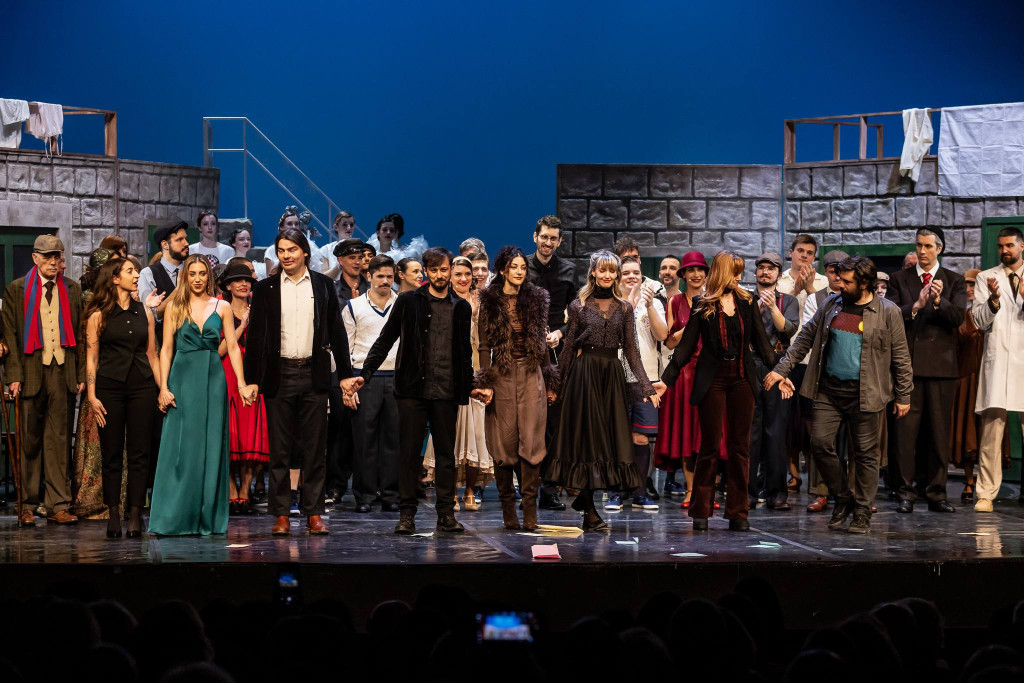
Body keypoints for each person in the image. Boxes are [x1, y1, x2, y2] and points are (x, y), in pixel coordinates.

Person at [766, 256, 914, 534]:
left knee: (866, 455)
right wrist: (781, 369)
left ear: (865, 283)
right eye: (839, 279)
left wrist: (903, 394)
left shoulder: (888, 311)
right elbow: (805, 338)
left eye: (847, 281)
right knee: (819, 443)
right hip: (829, 390)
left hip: (866, 393)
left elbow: (901, 356)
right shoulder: (831, 304)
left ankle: (862, 512)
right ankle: (843, 497)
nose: (840, 285)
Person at [351, 247, 474, 535]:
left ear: (450, 270)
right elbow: (386, 339)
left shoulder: (461, 307)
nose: (440, 275)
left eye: (444, 270)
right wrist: (365, 374)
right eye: (434, 270)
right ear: (426, 272)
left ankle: (446, 514)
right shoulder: (408, 301)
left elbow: (464, 352)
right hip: (412, 390)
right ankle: (407, 514)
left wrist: (468, 388)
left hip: (446, 389)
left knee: (446, 456)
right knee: (408, 454)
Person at [245, 228, 354, 535]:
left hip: (313, 373)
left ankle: (314, 513)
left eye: (292, 249)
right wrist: (252, 380)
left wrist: (345, 374)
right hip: (279, 374)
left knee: (314, 449)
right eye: (281, 250)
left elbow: (336, 331)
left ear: (305, 251)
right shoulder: (265, 288)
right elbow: (256, 337)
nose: (286, 255)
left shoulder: (322, 284)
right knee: (280, 450)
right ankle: (281, 513)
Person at [657, 251, 776, 532]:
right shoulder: (702, 304)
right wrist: (666, 380)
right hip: (713, 379)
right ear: (723, 273)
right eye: (734, 272)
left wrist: (781, 371)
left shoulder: (748, 302)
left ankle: (738, 511)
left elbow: (762, 344)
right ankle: (701, 510)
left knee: (740, 448)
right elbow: (686, 347)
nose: (739, 278)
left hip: (742, 378)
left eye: (740, 272)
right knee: (709, 447)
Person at [548, 250, 659, 532]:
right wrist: (555, 384)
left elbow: (632, 350)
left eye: (612, 271)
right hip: (585, 375)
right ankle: (589, 509)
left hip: (611, 377)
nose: (607, 275)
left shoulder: (625, 308)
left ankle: (586, 502)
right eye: (603, 270)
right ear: (593, 273)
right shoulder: (579, 306)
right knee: (588, 442)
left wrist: (646, 386)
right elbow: (569, 348)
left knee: (607, 442)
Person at [148, 255, 253, 536]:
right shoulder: (175, 307)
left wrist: (242, 383)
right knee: (181, 447)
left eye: (202, 274)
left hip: (213, 380)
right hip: (182, 379)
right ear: (185, 276)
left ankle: (207, 515)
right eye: (192, 273)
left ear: (209, 277)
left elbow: (232, 347)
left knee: (210, 445)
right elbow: (166, 349)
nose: (197, 279)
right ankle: (175, 516)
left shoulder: (222, 306)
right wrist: (163, 387)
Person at [2, 235, 85, 526]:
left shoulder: (72, 289)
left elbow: (80, 334)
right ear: (35, 258)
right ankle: (27, 504)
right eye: (47, 256)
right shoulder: (17, 289)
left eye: (57, 256)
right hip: (30, 372)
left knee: (59, 441)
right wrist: (13, 376)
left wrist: (81, 373)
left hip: (62, 369)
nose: (53, 261)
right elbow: (10, 334)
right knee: (30, 441)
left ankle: (57, 504)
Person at [473, 246, 557, 530]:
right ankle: (508, 510)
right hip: (503, 375)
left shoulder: (536, 298)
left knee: (532, 442)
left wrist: (549, 380)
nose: (520, 271)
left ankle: (530, 511)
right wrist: (486, 381)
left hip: (532, 373)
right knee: (504, 442)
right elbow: (484, 346)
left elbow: (541, 342)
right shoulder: (490, 300)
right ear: (503, 270)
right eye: (514, 267)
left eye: (523, 267)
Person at [886, 228, 966, 514]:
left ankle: (936, 493)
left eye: (928, 246)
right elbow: (891, 315)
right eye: (919, 245)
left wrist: (938, 302)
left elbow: (957, 318)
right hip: (908, 367)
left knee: (938, 434)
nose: (922, 251)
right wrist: (917, 305)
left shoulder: (954, 280)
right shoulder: (899, 279)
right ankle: (905, 492)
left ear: (939, 249)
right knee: (905, 435)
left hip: (941, 368)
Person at [84, 257, 161, 538]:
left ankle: (136, 512)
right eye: (130, 271)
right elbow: (92, 358)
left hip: (142, 386)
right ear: (115, 278)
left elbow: (152, 355)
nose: (136, 275)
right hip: (110, 387)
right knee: (112, 452)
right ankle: (114, 512)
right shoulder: (98, 315)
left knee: (140, 452)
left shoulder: (145, 312)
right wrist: (92, 395)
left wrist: (162, 388)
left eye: (136, 271)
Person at [424, 256, 494, 510]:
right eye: (459, 274)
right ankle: (451, 491)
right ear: (451, 276)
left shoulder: (482, 303)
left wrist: (485, 377)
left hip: (475, 373)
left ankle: (471, 491)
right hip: (450, 376)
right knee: (450, 437)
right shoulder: (447, 302)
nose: (464, 279)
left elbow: (485, 344)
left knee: (476, 436)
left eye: (468, 274)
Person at [605, 256, 668, 512]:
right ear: (618, 276)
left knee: (641, 438)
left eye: (636, 272)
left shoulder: (653, 303)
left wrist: (649, 306)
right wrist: (628, 305)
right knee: (617, 438)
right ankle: (616, 492)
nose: (632, 276)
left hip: (646, 380)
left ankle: (640, 492)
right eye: (626, 272)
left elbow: (662, 335)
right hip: (616, 379)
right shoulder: (609, 303)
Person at [655, 251, 717, 506]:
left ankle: (707, 489)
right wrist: (692, 323)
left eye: (700, 270)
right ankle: (691, 490)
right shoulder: (675, 302)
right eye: (690, 270)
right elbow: (669, 342)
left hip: (710, 372)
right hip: (684, 374)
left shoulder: (714, 300)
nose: (695, 274)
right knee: (686, 435)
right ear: (684, 275)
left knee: (708, 435)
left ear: (706, 274)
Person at [970, 227, 1024, 513]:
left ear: (1021, 246)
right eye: (1001, 246)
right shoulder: (985, 278)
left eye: (1010, 246)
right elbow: (979, 321)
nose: (1004, 251)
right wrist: (993, 300)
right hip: (998, 360)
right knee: (991, 433)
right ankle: (986, 494)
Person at [342, 255, 402, 513]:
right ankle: (364, 496)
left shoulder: (403, 303)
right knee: (364, 440)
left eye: (389, 276)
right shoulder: (354, 306)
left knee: (393, 439)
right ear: (369, 276)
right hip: (364, 378)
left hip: (397, 377)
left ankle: (391, 495)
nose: (385, 281)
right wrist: (347, 384)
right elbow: (345, 347)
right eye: (380, 276)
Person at [526, 215, 575, 511]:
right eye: (544, 236)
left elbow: (577, 315)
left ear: (559, 241)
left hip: (556, 354)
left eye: (553, 238)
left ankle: (549, 489)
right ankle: (527, 487)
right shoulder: (521, 267)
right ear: (535, 237)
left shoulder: (568, 270)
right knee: (528, 424)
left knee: (554, 425)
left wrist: (560, 333)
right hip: (526, 354)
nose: (548, 242)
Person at [776, 234, 829, 497]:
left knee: (811, 422)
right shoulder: (780, 281)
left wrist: (809, 288)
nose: (804, 256)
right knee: (787, 422)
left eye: (809, 252)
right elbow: (776, 312)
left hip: (812, 360)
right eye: (800, 251)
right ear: (791, 253)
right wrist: (796, 290)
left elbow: (826, 313)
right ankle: (792, 473)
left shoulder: (824, 282)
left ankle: (815, 480)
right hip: (786, 358)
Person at [797, 248, 849, 512]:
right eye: (832, 271)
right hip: (823, 376)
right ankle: (821, 492)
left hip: (850, 375)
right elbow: (812, 334)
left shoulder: (858, 296)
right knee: (821, 437)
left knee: (851, 440)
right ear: (825, 273)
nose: (838, 277)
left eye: (842, 271)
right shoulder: (816, 299)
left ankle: (853, 492)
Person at [216, 262, 269, 514]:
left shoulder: (259, 309)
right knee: (229, 435)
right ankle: (231, 491)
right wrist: (242, 326)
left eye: (247, 280)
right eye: (237, 280)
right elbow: (219, 350)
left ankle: (245, 492)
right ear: (228, 285)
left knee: (249, 436)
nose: (243, 284)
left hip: (253, 375)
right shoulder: (220, 310)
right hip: (227, 374)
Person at [748, 252, 799, 511]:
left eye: (771, 268)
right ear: (755, 271)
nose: (765, 272)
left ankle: (776, 492)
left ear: (779, 274)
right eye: (762, 267)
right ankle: (747, 491)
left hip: (778, 368)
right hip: (751, 365)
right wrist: (756, 308)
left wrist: (772, 308)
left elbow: (788, 329)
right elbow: (741, 331)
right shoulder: (745, 299)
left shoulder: (788, 300)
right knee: (750, 432)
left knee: (776, 432)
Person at [325, 238, 370, 506]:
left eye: (360, 257)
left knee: (365, 428)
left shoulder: (372, 287)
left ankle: (368, 485)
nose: (357, 262)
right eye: (351, 257)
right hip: (340, 365)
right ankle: (335, 484)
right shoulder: (332, 290)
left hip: (366, 365)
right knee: (339, 428)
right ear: (340, 260)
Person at [71, 247, 115, 519]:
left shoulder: (110, 300)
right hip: (97, 374)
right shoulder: (92, 302)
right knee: (96, 434)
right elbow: (86, 346)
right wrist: (86, 381)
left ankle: (112, 498)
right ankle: (94, 497)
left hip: (111, 373)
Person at [951, 269, 986, 504]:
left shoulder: (990, 311)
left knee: (987, 430)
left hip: (987, 377)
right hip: (965, 377)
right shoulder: (961, 314)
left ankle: (986, 481)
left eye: (973, 284)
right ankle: (969, 480)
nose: (969, 289)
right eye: (966, 285)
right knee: (966, 430)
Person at [317, 211, 358, 277]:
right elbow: (323, 277)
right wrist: (340, 265)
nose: (349, 228)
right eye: (344, 225)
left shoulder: (360, 248)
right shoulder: (326, 249)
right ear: (336, 227)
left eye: (351, 225)